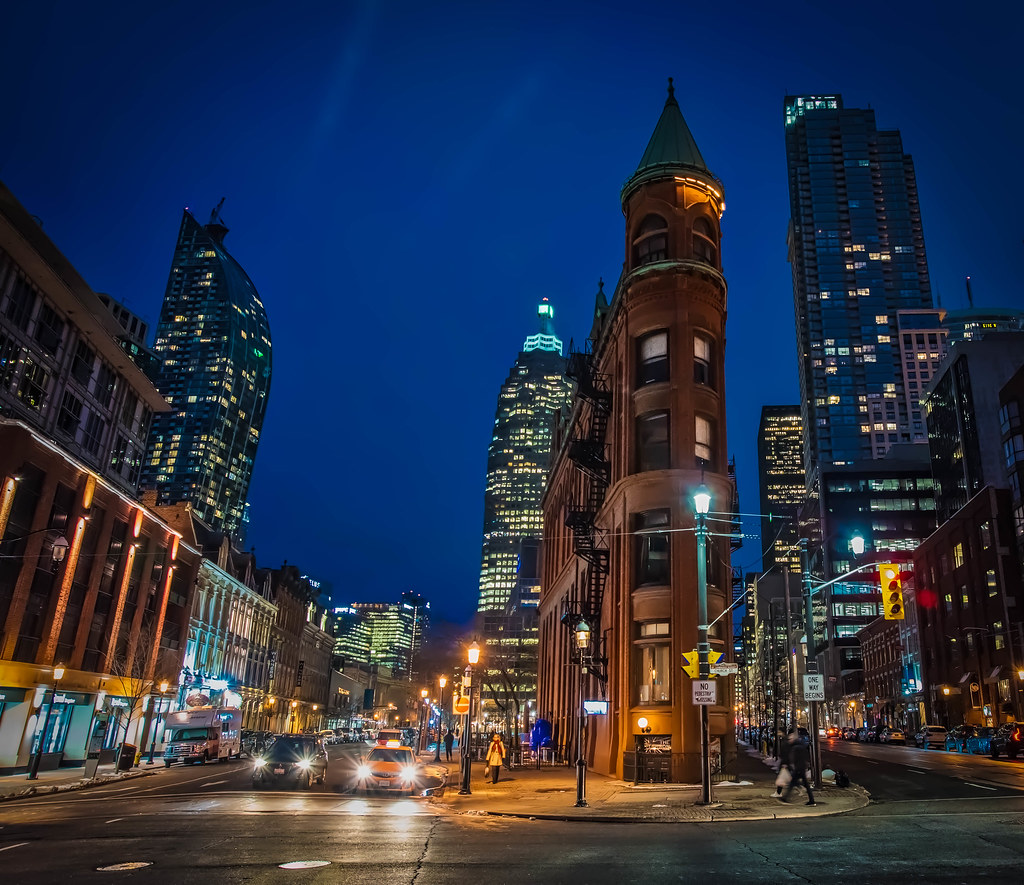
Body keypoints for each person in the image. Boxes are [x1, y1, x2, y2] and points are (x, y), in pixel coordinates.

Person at [779, 729, 815, 806]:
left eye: (790, 739)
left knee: (793, 783)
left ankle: (785, 798)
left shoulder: (796, 747)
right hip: (800, 768)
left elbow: (797, 759)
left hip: (799, 768)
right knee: (798, 784)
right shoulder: (799, 746)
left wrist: (796, 767)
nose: (789, 740)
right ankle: (811, 800)